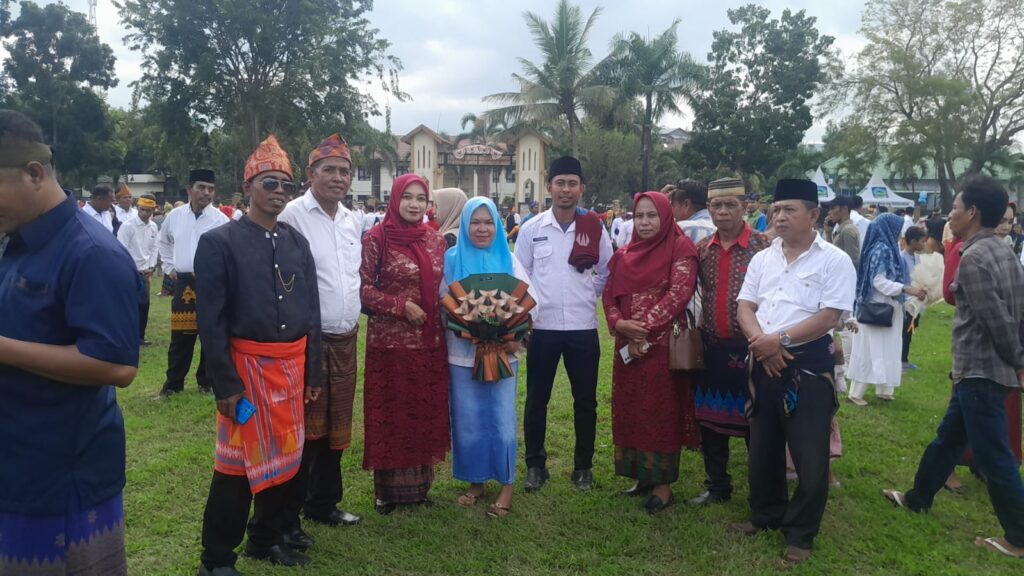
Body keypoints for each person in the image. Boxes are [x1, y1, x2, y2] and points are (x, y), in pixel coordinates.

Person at [0, 110, 139, 576]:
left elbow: (117, 366)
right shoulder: (16, 241)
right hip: (14, 459)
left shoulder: (91, 253)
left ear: (34, 173)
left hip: (61, 475)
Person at [195, 135, 322, 575]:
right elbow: (210, 323)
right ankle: (216, 560)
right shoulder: (219, 243)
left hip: (292, 370)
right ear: (248, 186)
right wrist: (225, 385)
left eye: (287, 185)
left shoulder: (296, 243)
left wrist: (313, 373)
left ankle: (264, 540)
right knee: (235, 469)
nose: (279, 191)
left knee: (287, 463)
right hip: (245, 372)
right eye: (270, 183)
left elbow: (312, 313)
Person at [883, 175, 1024, 560]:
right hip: (978, 372)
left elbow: (997, 320)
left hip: (983, 371)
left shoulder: (974, 257)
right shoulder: (1004, 251)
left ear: (972, 212)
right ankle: (917, 499)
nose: (950, 214)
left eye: (956, 207)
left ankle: (1018, 536)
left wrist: (1019, 361)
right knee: (948, 440)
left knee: (994, 456)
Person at [731, 179, 856, 565]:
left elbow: (829, 317)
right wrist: (761, 342)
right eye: (776, 209)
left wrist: (779, 340)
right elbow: (745, 306)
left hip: (807, 366)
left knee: (809, 454)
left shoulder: (834, 260)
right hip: (763, 359)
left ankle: (801, 533)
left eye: (789, 209)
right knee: (763, 447)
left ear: (813, 215)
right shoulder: (763, 258)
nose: (779, 216)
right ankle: (766, 513)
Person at [278, 134, 363, 550]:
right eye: (329, 170)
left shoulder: (352, 219)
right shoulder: (292, 216)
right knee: (307, 431)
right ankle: (289, 516)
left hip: (346, 339)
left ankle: (324, 503)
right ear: (310, 173)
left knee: (337, 427)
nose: (338, 177)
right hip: (309, 341)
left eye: (344, 171)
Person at [515, 156, 613, 492]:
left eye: (572, 183)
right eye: (560, 183)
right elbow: (521, 276)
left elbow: (607, 270)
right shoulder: (532, 229)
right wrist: (529, 315)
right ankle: (535, 466)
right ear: (549, 187)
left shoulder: (594, 227)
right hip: (542, 328)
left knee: (585, 401)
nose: (566, 190)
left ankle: (583, 468)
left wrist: (586, 295)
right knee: (536, 399)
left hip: (583, 328)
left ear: (581, 188)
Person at [360, 174, 450, 515]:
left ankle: (419, 489)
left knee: (422, 413)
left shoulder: (435, 240)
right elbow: (362, 288)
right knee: (392, 416)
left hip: (429, 343)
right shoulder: (377, 238)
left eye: (421, 198)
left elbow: (444, 287)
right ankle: (386, 493)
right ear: (395, 199)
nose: (414, 204)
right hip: (389, 346)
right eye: (407, 197)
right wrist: (400, 306)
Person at [603, 191, 699, 513]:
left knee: (660, 412)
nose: (644, 222)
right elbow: (609, 295)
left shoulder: (680, 248)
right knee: (632, 409)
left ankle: (662, 486)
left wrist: (640, 328)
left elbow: (678, 294)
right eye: (639, 215)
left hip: (662, 347)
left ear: (665, 216)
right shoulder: (625, 253)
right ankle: (642, 475)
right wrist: (619, 323)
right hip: (627, 347)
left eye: (651, 215)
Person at [444, 197, 537, 518]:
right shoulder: (451, 258)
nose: (482, 229)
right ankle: (476, 481)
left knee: (501, 420)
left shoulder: (508, 260)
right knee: (468, 421)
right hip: (461, 355)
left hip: (503, 355)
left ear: (497, 225)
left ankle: (506, 484)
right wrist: (467, 327)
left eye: (488, 222)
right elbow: (443, 301)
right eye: (475, 222)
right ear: (465, 224)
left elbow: (532, 301)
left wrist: (512, 336)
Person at [691, 178, 771, 506]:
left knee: (758, 422)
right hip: (713, 346)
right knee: (711, 420)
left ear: (745, 207)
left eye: (730, 205)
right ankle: (718, 485)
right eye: (716, 205)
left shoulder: (765, 247)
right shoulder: (702, 249)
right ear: (709, 209)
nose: (723, 211)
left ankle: (762, 490)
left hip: (755, 348)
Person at [157, 169, 229, 397]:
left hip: (211, 284)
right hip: (184, 283)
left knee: (210, 334)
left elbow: (229, 252)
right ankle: (173, 384)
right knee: (181, 336)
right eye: (201, 188)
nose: (206, 193)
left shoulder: (221, 220)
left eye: (211, 189)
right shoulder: (175, 216)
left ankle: (206, 381)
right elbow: (163, 241)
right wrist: (169, 268)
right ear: (190, 189)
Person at [847, 214, 927, 405]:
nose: (900, 234)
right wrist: (905, 289)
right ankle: (856, 393)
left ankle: (884, 388)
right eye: (897, 229)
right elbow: (878, 281)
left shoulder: (887, 247)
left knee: (888, 348)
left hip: (888, 306)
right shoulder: (881, 249)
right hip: (878, 307)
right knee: (871, 349)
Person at [117, 194, 160, 346]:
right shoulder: (128, 226)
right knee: (128, 305)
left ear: (153, 211)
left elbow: (154, 248)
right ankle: (125, 336)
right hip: (130, 271)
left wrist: (151, 267)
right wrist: (130, 269)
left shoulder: (153, 226)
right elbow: (121, 249)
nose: (144, 213)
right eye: (142, 209)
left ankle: (140, 336)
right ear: (138, 208)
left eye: (148, 210)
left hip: (145, 272)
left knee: (143, 305)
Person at [900, 226, 927, 370]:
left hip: (916, 301)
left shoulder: (917, 258)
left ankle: (904, 358)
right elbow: (901, 282)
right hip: (906, 302)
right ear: (913, 241)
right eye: (922, 241)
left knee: (911, 330)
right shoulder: (901, 258)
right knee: (905, 331)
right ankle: (901, 360)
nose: (924, 244)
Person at [668, 179, 716, 244]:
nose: (671, 210)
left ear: (686, 204)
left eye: (672, 205)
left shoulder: (682, 228)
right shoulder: (721, 227)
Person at [826, 196, 860, 269]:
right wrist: (828, 233)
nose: (829, 212)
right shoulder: (842, 229)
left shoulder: (847, 230)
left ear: (844, 209)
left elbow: (852, 261)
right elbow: (831, 253)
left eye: (833, 208)